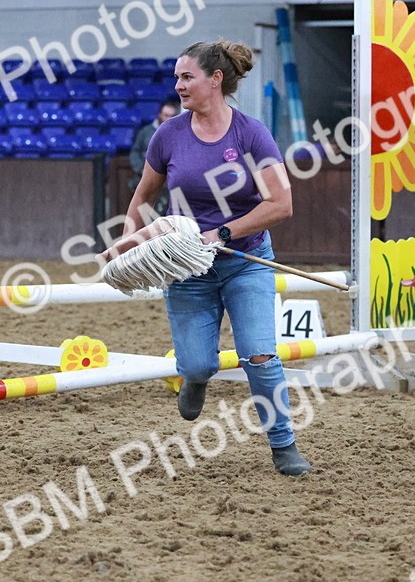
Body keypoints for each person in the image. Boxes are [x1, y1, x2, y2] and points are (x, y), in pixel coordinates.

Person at [99, 40, 311, 476]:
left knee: (259, 355)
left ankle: (283, 444)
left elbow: (280, 204)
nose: (178, 85)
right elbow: (144, 197)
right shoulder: (168, 135)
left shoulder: (251, 134)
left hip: (246, 259)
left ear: (215, 80)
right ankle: (196, 378)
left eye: (186, 77)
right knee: (197, 361)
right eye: (177, 77)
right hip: (186, 267)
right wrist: (125, 248)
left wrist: (222, 233)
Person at [128, 98, 180, 215]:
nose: (167, 118)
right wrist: (141, 170)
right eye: (165, 115)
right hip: (146, 178)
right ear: (159, 115)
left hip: (171, 181)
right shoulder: (146, 132)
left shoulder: (179, 133)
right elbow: (135, 152)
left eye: (171, 116)